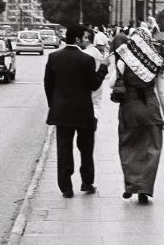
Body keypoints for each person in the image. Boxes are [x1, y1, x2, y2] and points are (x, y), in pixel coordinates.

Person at [43, 25, 110, 198]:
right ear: (78, 39)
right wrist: (103, 67)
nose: (86, 40)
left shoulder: (53, 57)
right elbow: (94, 84)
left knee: (64, 149)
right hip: (83, 111)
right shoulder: (86, 60)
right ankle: (87, 182)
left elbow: (48, 85)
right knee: (86, 148)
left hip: (61, 111)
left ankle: (66, 188)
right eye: (85, 37)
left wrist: (54, 105)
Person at [110, 26, 164, 204]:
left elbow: (111, 84)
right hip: (150, 109)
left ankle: (131, 185)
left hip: (129, 108)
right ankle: (144, 189)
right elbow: (162, 92)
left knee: (128, 146)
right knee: (151, 149)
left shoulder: (124, 59)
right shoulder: (157, 62)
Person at [80, 29, 105, 122]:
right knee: (96, 104)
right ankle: (94, 120)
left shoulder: (86, 53)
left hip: (89, 82)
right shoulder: (96, 51)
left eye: (82, 37)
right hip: (98, 82)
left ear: (86, 38)